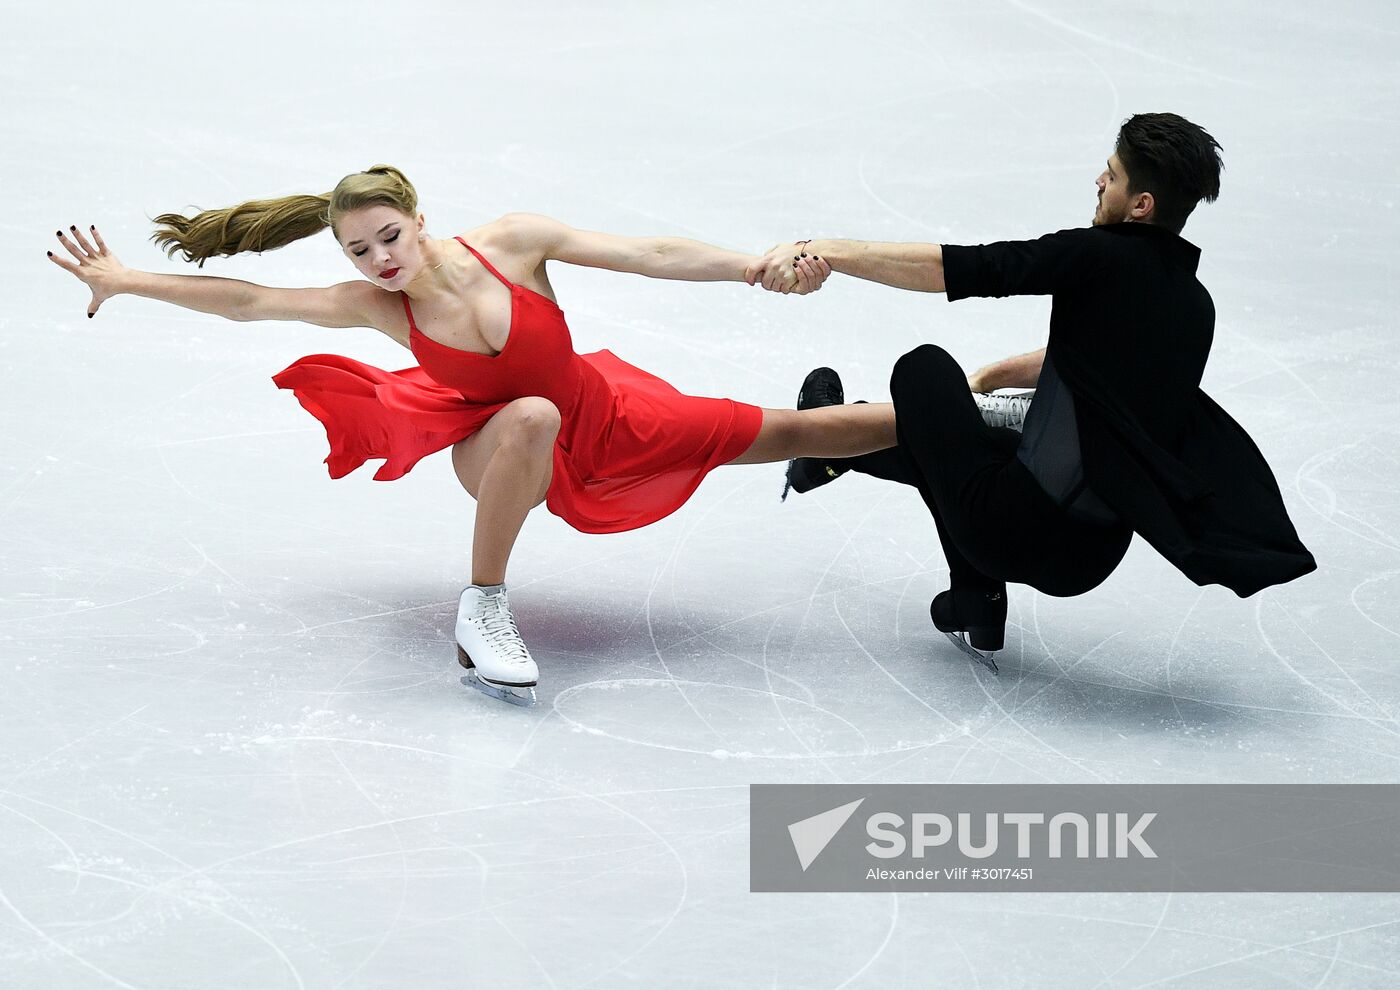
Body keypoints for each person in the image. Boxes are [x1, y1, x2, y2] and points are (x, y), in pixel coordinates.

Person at [46, 164, 892, 705]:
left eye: (387, 236)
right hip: (500, 445)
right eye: (358, 251)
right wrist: (126, 281)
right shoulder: (377, 307)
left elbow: (650, 252)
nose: (379, 259)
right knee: (530, 415)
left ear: (416, 217)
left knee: (793, 429)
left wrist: (750, 266)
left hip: (609, 415)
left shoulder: (514, 246)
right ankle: (482, 608)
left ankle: (959, 414)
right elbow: (248, 302)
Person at [756, 113, 1316, 672]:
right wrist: (993, 377)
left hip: (1010, 527)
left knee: (924, 369)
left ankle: (840, 448)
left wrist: (825, 247)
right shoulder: (1195, 306)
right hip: (1091, 557)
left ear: (1141, 204)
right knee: (958, 436)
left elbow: (958, 268)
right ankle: (966, 590)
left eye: (1113, 175)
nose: (1099, 181)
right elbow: (1100, 365)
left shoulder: (1099, 255)